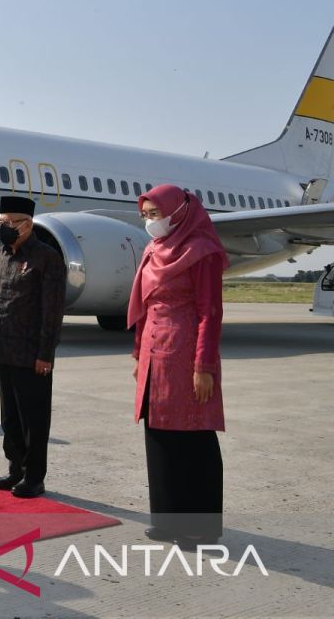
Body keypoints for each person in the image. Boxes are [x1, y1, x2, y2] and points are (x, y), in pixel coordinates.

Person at [129, 184, 228, 550]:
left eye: (155, 214)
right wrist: (139, 354)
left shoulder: (201, 251)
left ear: (179, 211)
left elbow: (210, 312)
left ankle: (201, 527)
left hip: (186, 353)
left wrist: (204, 366)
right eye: (146, 215)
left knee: (193, 436)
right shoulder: (153, 251)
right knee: (158, 435)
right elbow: (142, 306)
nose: (150, 222)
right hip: (155, 351)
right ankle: (167, 518)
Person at [0, 195, 66, 499]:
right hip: (2, 350)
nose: (2, 228)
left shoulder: (47, 258)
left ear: (27, 224)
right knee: (10, 417)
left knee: (34, 417)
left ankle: (34, 476)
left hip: (32, 354)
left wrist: (46, 353)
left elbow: (52, 310)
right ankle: (15, 468)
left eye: (7, 223)